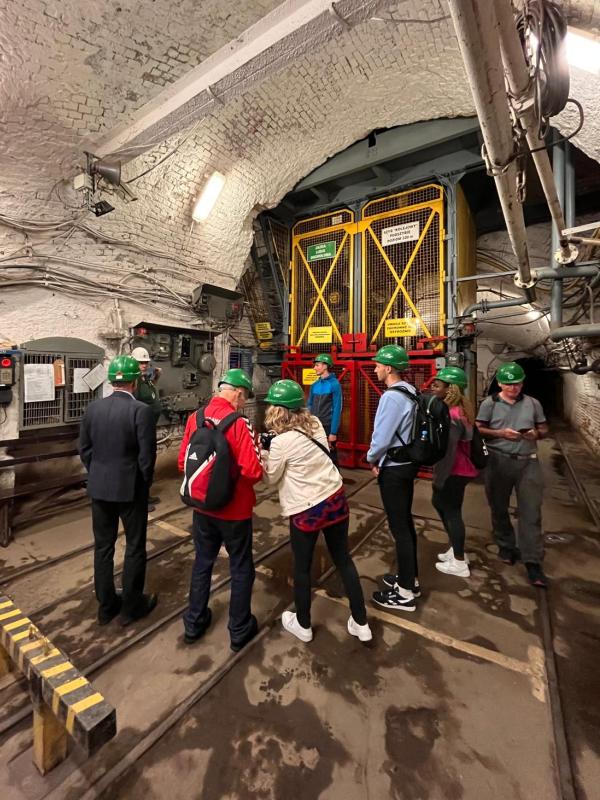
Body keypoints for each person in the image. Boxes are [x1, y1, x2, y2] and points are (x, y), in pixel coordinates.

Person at [261, 379, 372, 643]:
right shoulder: (315, 424)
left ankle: (303, 624)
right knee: (343, 559)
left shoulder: (282, 442)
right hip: (334, 499)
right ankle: (361, 622)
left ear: (277, 410)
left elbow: (271, 478)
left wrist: (264, 455)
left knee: (301, 567)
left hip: (306, 508)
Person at [178, 368, 263, 650]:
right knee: (240, 567)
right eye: (244, 397)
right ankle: (239, 630)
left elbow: (183, 463)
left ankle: (194, 622)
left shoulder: (195, 419)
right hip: (234, 512)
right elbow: (253, 472)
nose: (244, 403)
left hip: (202, 508)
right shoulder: (239, 423)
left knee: (203, 562)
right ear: (238, 393)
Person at [79, 355, 158, 626]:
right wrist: (143, 485)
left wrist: (99, 474)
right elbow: (147, 458)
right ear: (135, 381)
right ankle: (131, 607)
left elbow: (85, 450)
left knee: (103, 547)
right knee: (134, 547)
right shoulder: (141, 411)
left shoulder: (93, 409)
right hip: (130, 489)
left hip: (99, 488)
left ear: (113, 380)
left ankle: (106, 607)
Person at [476, 362, 549, 588]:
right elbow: (478, 429)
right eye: (508, 384)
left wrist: (535, 434)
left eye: (516, 384)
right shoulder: (489, 404)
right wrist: (499, 433)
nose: (513, 388)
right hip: (498, 461)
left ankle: (532, 560)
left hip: (528, 462)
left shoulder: (532, 403)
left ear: (522, 383)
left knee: (531, 511)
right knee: (498, 507)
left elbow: (544, 428)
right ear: (499, 383)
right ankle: (506, 545)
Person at [366, 345, 420, 612]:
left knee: (399, 529)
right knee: (406, 524)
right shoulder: (411, 391)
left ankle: (405, 594)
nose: (375, 368)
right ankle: (410, 578)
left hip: (394, 468)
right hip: (407, 464)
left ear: (388, 368)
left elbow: (382, 436)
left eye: (378, 365)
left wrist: (372, 457)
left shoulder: (391, 397)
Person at [429, 366, 478, 579]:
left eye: (437, 385)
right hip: (460, 469)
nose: (433, 387)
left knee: (452, 512)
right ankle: (456, 549)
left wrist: (440, 477)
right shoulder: (461, 410)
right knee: (441, 505)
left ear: (451, 390)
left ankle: (459, 561)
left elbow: (448, 452)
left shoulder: (452, 415)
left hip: (454, 470)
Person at [132, 346, 162, 510]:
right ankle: (139, 500)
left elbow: (151, 394)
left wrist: (156, 376)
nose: (144, 365)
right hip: (140, 431)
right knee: (142, 463)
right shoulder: (134, 382)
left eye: (145, 362)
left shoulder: (145, 379)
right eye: (140, 363)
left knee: (149, 462)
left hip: (150, 428)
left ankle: (146, 495)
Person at [307, 354, 342, 463]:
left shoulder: (334, 384)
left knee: (331, 456)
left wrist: (333, 432)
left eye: (317, 365)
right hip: (314, 426)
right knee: (315, 455)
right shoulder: (314, 385)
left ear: (325, 366)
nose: (314, 368)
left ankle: (337, 479)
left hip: (327, 426)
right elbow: (309, 405)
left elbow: (337, 408)